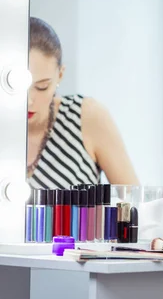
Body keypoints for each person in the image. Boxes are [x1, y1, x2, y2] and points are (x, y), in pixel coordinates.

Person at [27, 17, 138, 189]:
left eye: (42, 87)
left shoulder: (85, 117)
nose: (29, 100)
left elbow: (134, 203)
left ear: (60, 75)